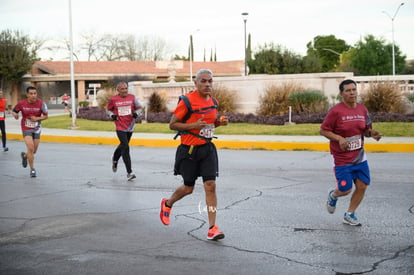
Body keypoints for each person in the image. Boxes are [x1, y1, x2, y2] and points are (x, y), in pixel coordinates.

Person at [159, 69, 228, 240]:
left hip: (207, 149)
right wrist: (193, 125)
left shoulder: (213, 101)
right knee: (188, 188)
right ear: (195, 82)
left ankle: (212, 228)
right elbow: (172, 125)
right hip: (189, 151)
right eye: (203, 81)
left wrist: (219, 123)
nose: (207, 84)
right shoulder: (187, 101)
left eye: (210, 81)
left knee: (210, 185)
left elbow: (208, 126)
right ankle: (167, 204)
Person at [320, 79, 382, 226]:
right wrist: (339, 138)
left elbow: (365, 130)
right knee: (345, 189)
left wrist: (372, 133)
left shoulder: (362, 110)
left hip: (359, 157)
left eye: (354, 89)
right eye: (348, 90)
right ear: (342, 94)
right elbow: (323, 130)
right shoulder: (336, 111)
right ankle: (333, 195)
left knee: (362, 186)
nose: (352, 93)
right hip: (341, 159)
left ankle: (350, 214)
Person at [106, 81, 142, 181]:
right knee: (125, 147)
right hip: (120, 126)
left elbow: (140, 108)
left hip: (130, 126)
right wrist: (111, 115)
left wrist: (136, 114)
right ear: (118, 90)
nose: (125, 90)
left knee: (123, 145)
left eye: (126, 88)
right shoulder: (113, 99)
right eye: (122, 89)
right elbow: (108, 110)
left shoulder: (132, 97)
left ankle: (115, 159)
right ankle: (129, 172)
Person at [12, 86, 48, 177]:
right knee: (30, 148)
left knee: (34, 151)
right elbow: (14, 111)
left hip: (37, 128)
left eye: (35, 93)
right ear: (27, 94)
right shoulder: (21, 103)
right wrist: (15, 115)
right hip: (26, 127)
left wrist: (37, 118)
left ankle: (25, 156)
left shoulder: (41, 103)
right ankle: (32, 169)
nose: (33, 95)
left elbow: (46, 116)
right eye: (31, 94)